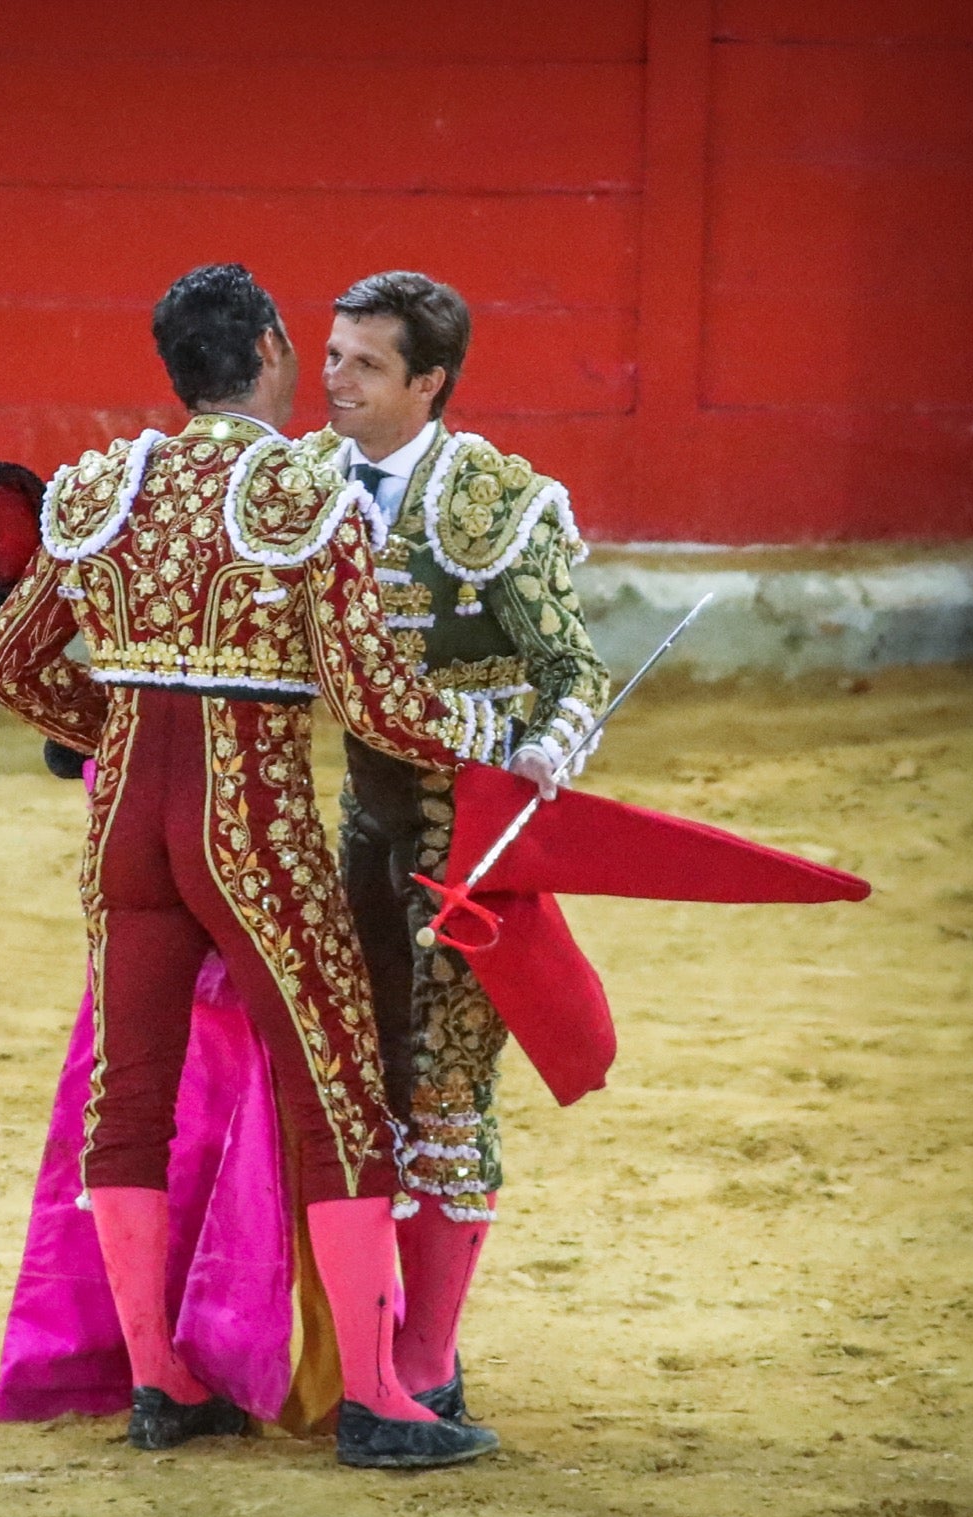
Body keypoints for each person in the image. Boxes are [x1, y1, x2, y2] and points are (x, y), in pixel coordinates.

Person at [0, 264, 500, 1469]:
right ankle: (375, 1397)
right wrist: (487, 738)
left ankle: (162, 1381)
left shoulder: (108, 483)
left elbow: (7, 664)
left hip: (126, 831)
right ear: (267, 346)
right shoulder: (305, 489)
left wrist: (113, 730)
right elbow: (376, 698)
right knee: (336, 1080)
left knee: (131, 1091)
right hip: (247, 819)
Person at [296, 271, 611, 1421]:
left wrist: (549, 749)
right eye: (329, 355)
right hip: (356, 828)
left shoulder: (492, 502)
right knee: (356, 1083)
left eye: (362, 363)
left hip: (464, 843)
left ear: (427, 383)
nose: (330, 378)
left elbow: (573, 670)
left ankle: (424, 1355)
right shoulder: (298, 484)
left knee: (442, 1089)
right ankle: (369, 1347)